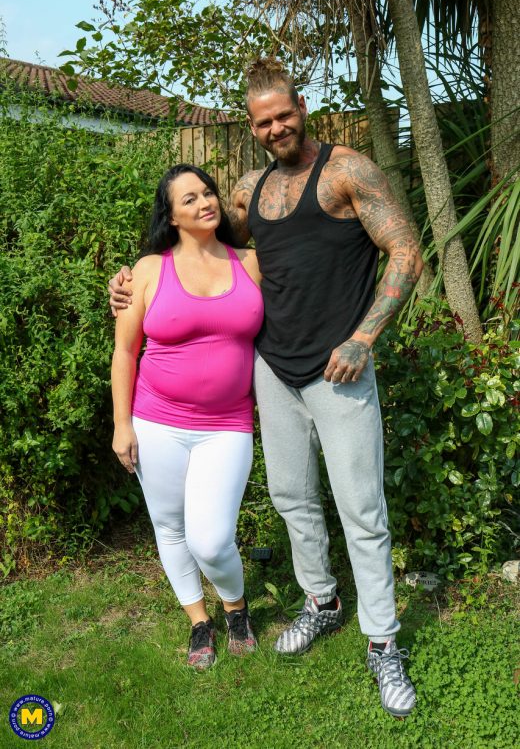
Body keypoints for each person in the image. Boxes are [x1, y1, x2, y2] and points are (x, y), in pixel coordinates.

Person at [110, 59, 424, 716]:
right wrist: (132, 280)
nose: (276, 127)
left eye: (284, 115)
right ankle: (321, 601)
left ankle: (383, 642)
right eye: (263, 122)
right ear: (251, 127)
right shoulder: (250, 191)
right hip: (273, 370)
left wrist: (363, 338)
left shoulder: (347, 171)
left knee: (361, 510)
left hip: (339, 370)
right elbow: (205, 252)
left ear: (301, 107)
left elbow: (406, 252)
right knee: (291, 498)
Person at [111, 163, 263, 670]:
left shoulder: (251, 263)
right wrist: (122, 424)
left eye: (208, 192)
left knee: (211, 539)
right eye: (189, 199)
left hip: (228, 423)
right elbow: (125, 352)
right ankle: (199, 621)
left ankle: (235, 607)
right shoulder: (148, 270)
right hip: (156, 421)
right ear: (172, 217)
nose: (205, 202)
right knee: (171, 527)